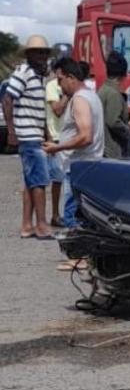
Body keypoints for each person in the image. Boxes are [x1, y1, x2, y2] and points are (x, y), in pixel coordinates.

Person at [43, 58, 104, 271]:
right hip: (86, 165)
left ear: (70, 77)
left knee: (72, 213)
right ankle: (85, 256)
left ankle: (79, 257)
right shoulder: (90, 96)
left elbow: (85, 136)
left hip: (79, 166)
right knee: (82, 213)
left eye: (60, 80)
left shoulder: (79, 99)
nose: (59, 85)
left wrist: (57, 148)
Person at [3, 35, 55, 239]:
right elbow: (7, 100)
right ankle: (42, 225)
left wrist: (46, 132)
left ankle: (27, 225)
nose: (42, 56)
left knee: (31, 183)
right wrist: (11, 130)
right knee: (40, 182)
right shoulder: (23, 73)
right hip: (27, 135)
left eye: (44, 52)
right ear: (29, 54)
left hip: (35, 134)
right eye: (38, 52)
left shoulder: (39, 76)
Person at [97, 52, 130, 158]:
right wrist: (129, 133)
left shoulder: (102, 90)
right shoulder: (114, 94)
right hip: (112, 150)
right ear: (123, 74)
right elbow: (113, 121)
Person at [45, 64, 67, 225]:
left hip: (68, 138)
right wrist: (67, 95)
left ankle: (62, 214)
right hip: (55, 137)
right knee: (56, 180)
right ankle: (55, 214)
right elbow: (57, 110)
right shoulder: (52, 87)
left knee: (65, 180)